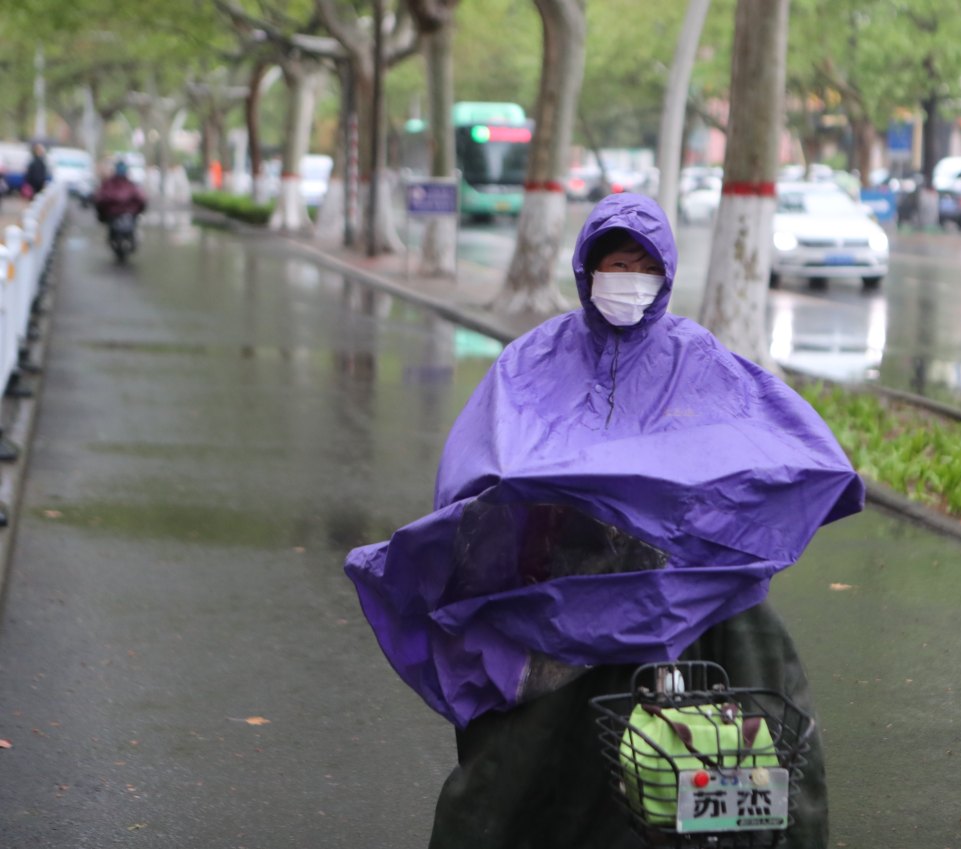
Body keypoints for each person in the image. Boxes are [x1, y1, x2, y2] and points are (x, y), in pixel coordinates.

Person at [345, 193, 864, 848]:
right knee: (518, 763)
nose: (628, 278)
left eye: (642, 266)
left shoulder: (694, 358)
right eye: (616, 262)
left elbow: (759, 436)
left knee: (755, 705)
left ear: (665, 275)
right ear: (588, 271)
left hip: (683, 586)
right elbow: (483, 463)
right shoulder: (535, 359)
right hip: (563, 588)